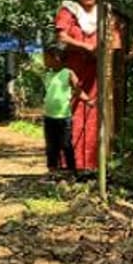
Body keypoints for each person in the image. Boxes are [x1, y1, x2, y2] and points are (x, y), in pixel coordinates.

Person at [54, 0, 123, 174]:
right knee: (71, 114)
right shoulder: (68, 11)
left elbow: (115, 43)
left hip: (99, 74)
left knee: (96, 115)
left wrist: (105, 50)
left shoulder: (106, 14)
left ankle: (94, 165)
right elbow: (61, 36)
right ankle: (69, 164)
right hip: (74, 72)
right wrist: (84, 46)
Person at [43, 43, 87, 176]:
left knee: (66, 143)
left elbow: (78, 90)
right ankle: (52, 170)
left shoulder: (68, 73)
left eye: (47, 58)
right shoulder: (48, 74)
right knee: (51, 145)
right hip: (49, 116)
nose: (45, 61)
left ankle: (71, 170)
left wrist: (88, 100)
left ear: (56, 58)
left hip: (63, 116)